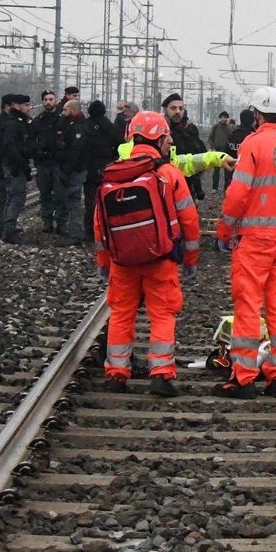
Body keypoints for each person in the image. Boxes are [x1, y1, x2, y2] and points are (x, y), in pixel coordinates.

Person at [93, 111, 201, 398]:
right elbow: (189, 220)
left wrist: (104, 263)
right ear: (157, 137)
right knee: (163, 314)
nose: (170, 142)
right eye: (167, 137)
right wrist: (190, 260)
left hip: (123, 262)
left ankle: (116, 373)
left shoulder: (113, 172)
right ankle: (161, 374)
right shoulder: (168, 174)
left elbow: (99, 225)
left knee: (121, 313)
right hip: (160, 259)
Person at [216, 87, 276, 398]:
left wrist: (224, 228)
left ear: (257, 115)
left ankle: (243, 376)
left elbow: (237, 194)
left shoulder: (252, 144)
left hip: (254, 241)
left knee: (248, 306)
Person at [0, 93, 32, 244]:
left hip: (6, 164)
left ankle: (4, 229)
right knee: (11, 196)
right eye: (26, 105)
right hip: (8, 164)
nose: (29, 108)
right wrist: (17, 163)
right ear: (12, 105)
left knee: (7, 196)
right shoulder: (8, 122)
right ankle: (5, 230)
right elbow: (4, 146)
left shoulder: (11, 121)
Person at [52, 98, 91, 243]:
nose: (62, 113)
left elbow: (75, 151)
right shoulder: (72, 124)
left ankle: (76, 233)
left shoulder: (78, 127)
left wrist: (67, 170)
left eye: (65, 110)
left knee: (73, 200)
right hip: (74, 168)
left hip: (76, 170)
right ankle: (74, 231)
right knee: (71, 200)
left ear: (74, 110)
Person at [82, 100, 122, 241]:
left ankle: (90, 230)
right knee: (107, 198)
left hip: (90, 167)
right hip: (107, 166)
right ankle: (107, 228)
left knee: (90, 199)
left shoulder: (85, 125)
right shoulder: (109, 125)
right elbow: (120, 143)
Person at [163, 93, 208, 203]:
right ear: (165, 110)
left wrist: (198, 187)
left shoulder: (190, 129)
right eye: (173, 108)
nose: (178, 111)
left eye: (181, 108)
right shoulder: (160, 129)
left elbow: (198, 157)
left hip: (187, 183)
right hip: (165, 181)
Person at [31, 90, 63, 233]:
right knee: (45, 193)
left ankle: (61, 223)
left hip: (58, 162)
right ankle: (47, 222)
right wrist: (37, 153)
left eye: (51, 99)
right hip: (43, 163)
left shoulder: (62, 120)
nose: (48, 102)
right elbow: (31, 141)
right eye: (45, 100)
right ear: (42, 102)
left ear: (55, 100)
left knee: (60, 193)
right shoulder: (38, 121)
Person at [208, 111, 234, 191]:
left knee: (227, 171)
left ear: (227, 118)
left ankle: (226, 188)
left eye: (225, 117)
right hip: (217, 152)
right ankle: (214, 188)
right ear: (219, 118)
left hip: (227, 152)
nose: (223, 118)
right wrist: (212, 147)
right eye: (222, 117)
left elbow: (232, 138)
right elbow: (210, 138)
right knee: (216, 171)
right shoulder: (216, 127)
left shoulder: (230, 128)